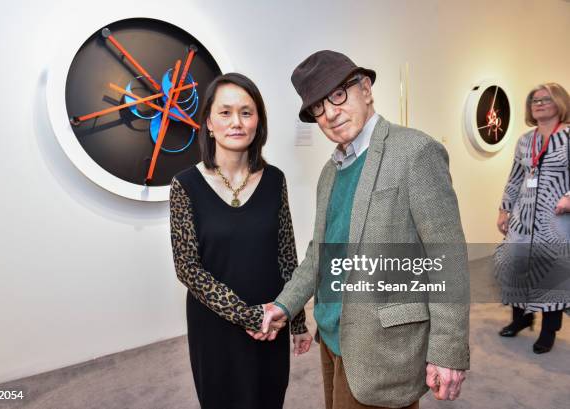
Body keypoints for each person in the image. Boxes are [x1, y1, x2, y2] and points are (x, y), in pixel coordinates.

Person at [258, 50, 470, 409]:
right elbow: (318, 255)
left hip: (384, 345)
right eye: (318, 108)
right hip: (332, 336)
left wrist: (448, 350)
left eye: (338, 95)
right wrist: (284, 305)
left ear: (366, 88)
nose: (330, 113)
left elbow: (446, 256)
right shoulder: (330, 172)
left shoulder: (415, 152)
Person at [169, 72, 312, 409]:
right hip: (216, 326)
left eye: (246, 112)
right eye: (225, 112)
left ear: (258, 121)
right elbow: (187, 268)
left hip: (271, 321)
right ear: (208, 121)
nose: (236, 122)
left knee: (268, 399)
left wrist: (296, 321)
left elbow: (286, 254)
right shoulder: (184, 185)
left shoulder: (275, 179)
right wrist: (249, 316)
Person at [496, 82, 570, 354]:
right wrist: (504, 209)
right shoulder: (525, 140)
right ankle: (521, 319)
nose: (538, 104)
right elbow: (515, 177)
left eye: (545, 99)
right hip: (522, 218)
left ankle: (549, 331)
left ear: (560, 102)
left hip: (556, 220)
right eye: (534, 100)